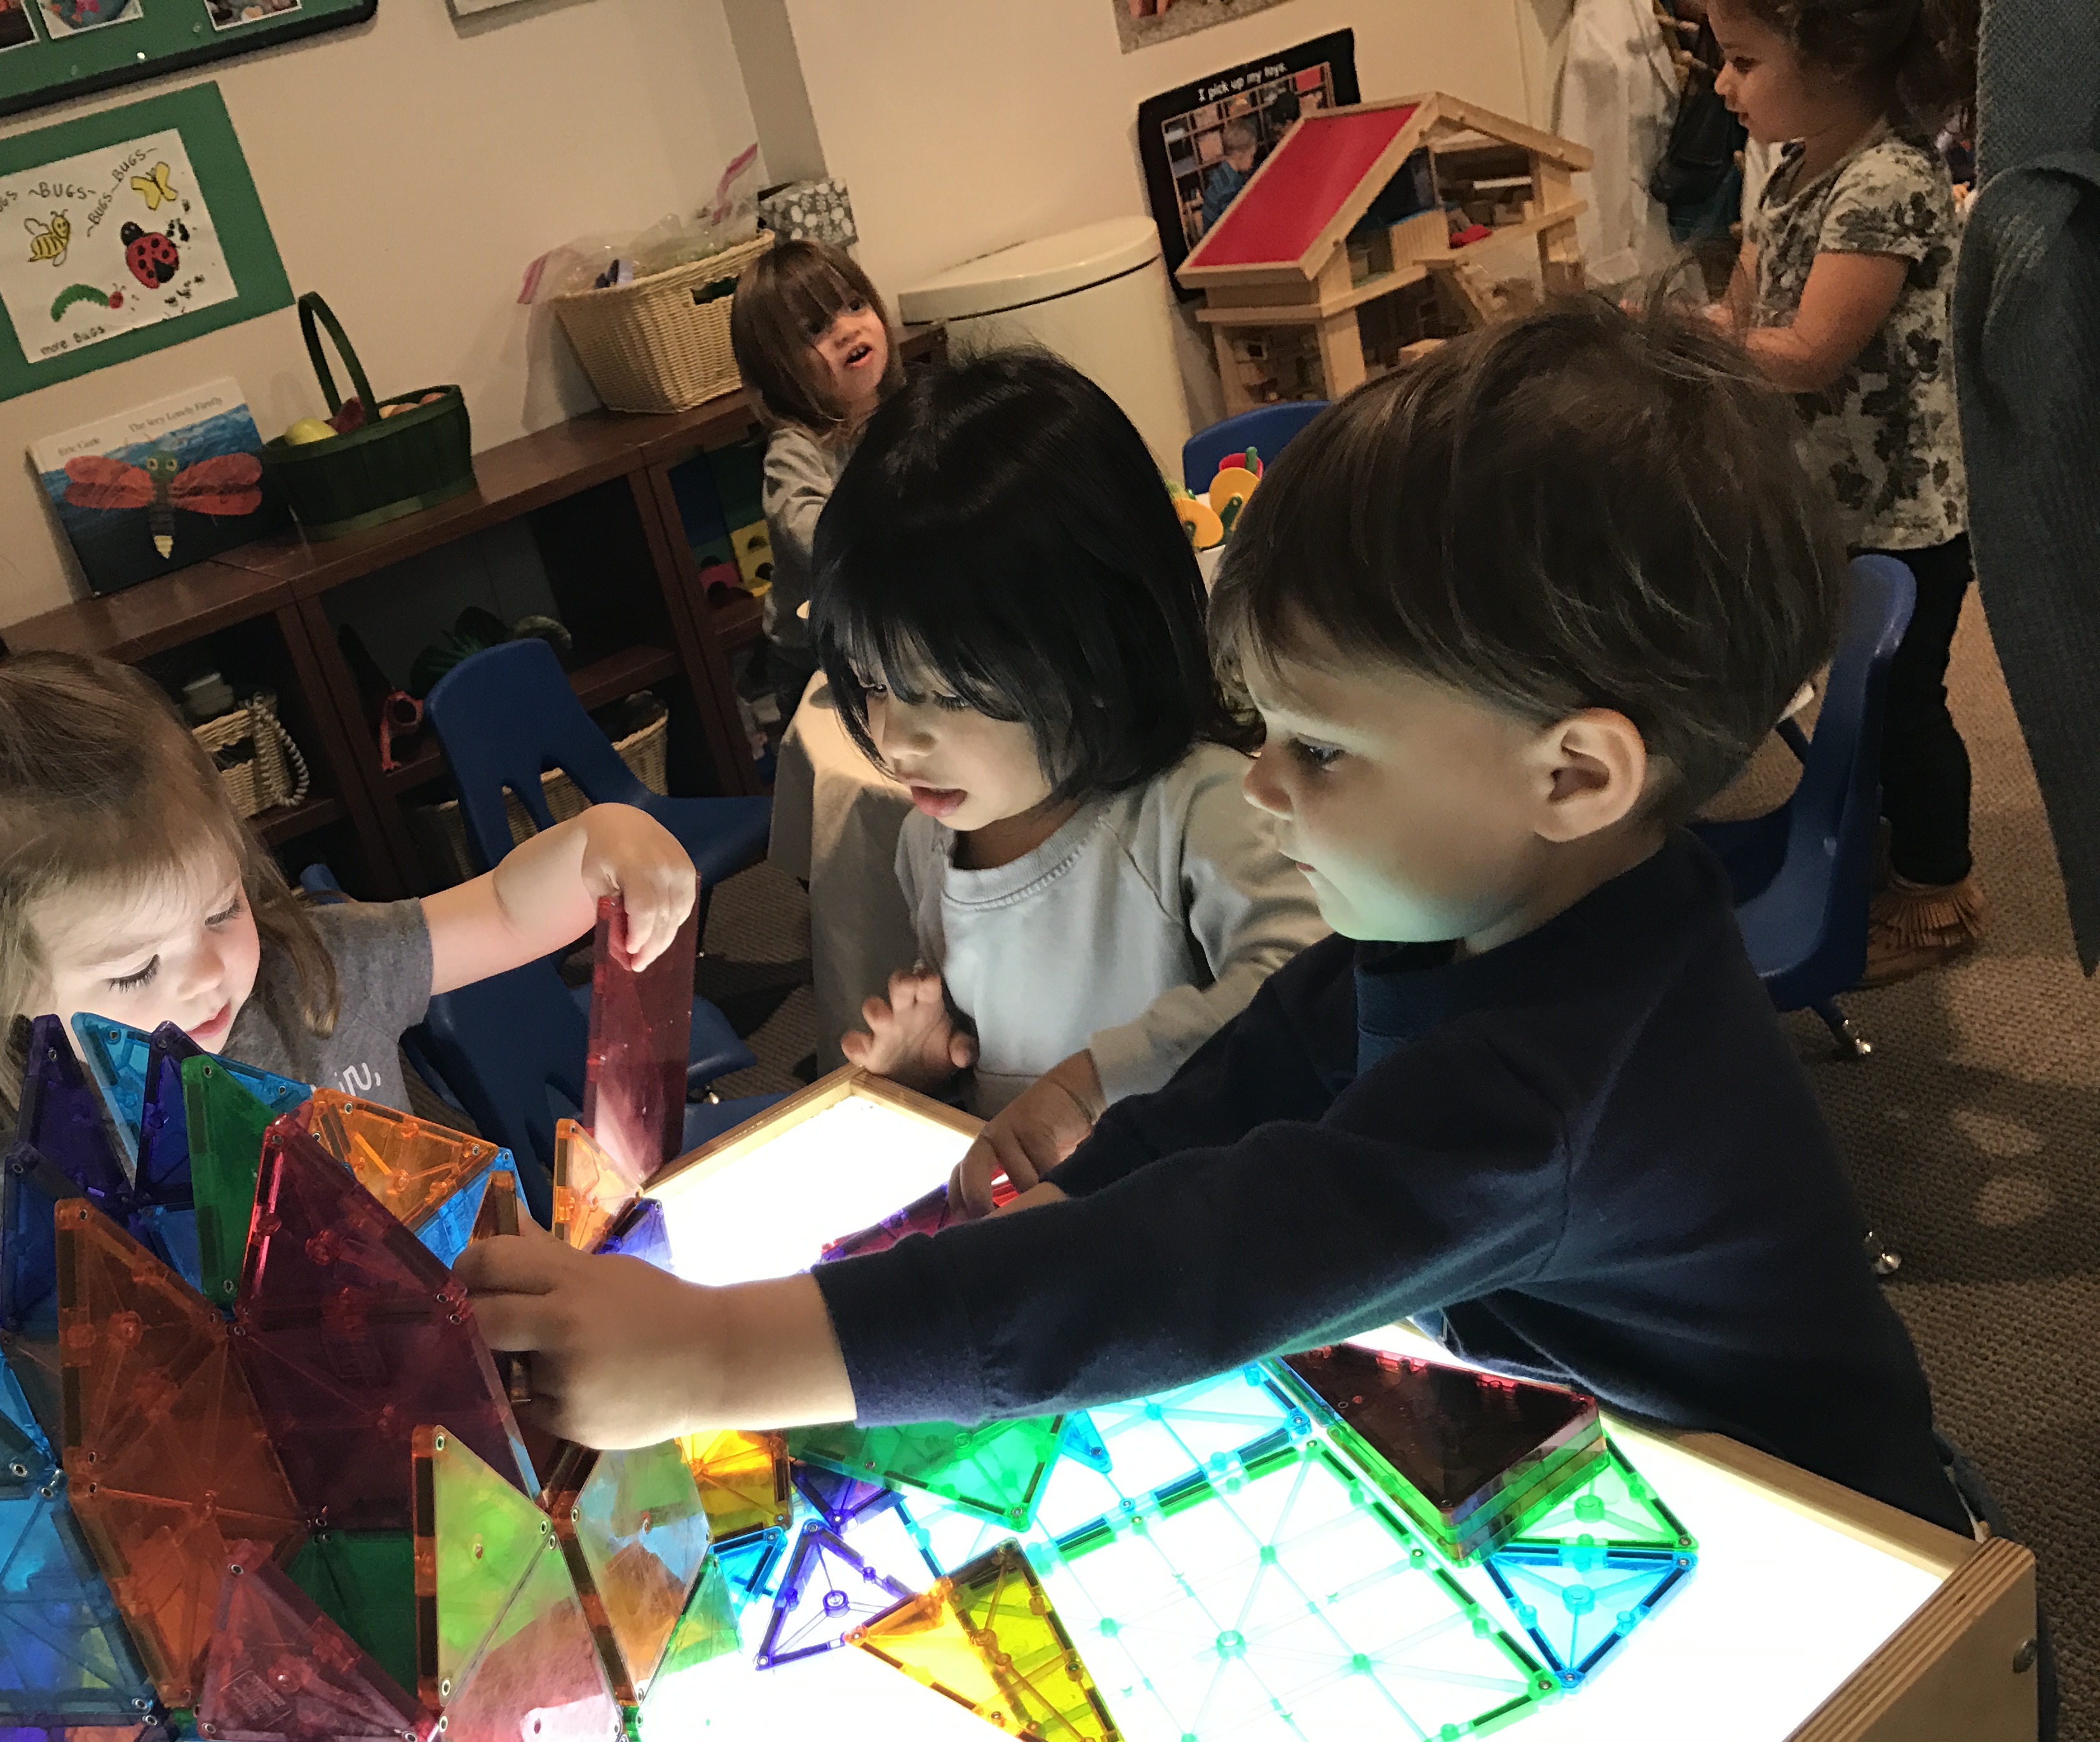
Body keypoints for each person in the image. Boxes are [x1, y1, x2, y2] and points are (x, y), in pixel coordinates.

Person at [459, 300, 1974, 1544]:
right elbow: (1234, 1099)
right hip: (1639, 1471)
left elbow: (1197, 1266)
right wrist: (1065, 1198)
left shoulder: (1550, 1090)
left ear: (1572, 775)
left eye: (1321, 748)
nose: (1263, 777)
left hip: (1855, 1563)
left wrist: (714, 1356)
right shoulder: (1461, 910)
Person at [0, 600, 698, 1317]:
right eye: (134, 971)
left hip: (527, 1360)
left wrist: (605, 842)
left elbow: (508, 912)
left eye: (222, 909)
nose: (206, 971)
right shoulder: (22, 1197)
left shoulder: (313, 979)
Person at [821, 350, 1323, 1189]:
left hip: (1201, 1225)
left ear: (1095, 654)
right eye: (871, 683)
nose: (896, 740)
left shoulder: (1191, 808)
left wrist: (1091, 1085)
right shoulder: (929, 841)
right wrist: (923, 1077)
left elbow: (1309, 984)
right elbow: (994, 1085)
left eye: (945, 693)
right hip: (1052, 1239)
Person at [1704, 0, 1980, 980]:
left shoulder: (1891, 179)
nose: (1723, 85)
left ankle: (1941, 888)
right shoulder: (1790, 172)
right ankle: (1881, 843)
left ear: (1837, 58)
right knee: (1858, 696)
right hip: (1831, 499)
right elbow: (1742, 308)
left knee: (1906, 700)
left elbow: (1813, 351)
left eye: (1742, 60)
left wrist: (1699, 341)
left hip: (1907, 512)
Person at [728, 240, 900, 730]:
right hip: (815, 658)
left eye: (854, 305)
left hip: (885, 637)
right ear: (776, 369)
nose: (847, 329)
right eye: (816, 328)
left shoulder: (905, 415)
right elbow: (806, 528)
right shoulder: (798, 448)